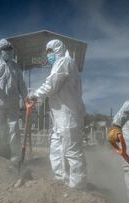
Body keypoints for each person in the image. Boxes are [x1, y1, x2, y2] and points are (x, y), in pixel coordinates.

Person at [27, 39, 86, 188]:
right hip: (60, 120)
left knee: (72, 153)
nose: (48, 55)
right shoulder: (61, 64)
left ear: (58, 49)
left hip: (68, 117)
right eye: (47, 52)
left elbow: (51, 85)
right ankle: (61, 180)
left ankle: (77, 187)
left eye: (50, 51)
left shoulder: (64, 62)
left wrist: (34, 95)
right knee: (55, 150)